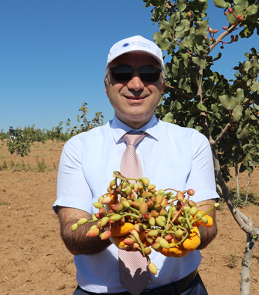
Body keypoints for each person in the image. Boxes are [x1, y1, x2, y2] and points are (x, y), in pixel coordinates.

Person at [53, 35, 219, 295]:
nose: (136, 84)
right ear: (106, 85)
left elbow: (207, 223)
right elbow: (72, 232)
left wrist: (184, 234)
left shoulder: (192, 143)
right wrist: (112, 225)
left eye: (149, 74)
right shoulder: (78, 147)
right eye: (121, 73)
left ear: (162, 85)